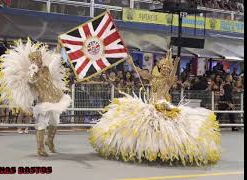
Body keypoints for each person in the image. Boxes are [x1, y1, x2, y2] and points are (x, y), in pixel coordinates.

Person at [90, 49, 221, 165]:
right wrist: (131, 63)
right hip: (150, 107)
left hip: (164, 108)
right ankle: (144, 151)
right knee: (147, 131)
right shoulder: (154, 79)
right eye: (164, 67)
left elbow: (172, 77)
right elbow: (141, 73)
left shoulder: (168, 80)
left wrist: (175, 65)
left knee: (165, 132)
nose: (165, 69)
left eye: (167, 68)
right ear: (160, 68)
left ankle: (164, 152)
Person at [0, 40, 71, 156]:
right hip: (43, 102)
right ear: (32, 61)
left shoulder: (47, 69)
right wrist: (33, 73)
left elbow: (55, 61)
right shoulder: (30, 73)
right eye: (35, 59)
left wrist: (59, 48)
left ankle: (49, 141)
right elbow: (31, 82)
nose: (37, 61)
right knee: (42, 124)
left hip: (56, 99)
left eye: (38, 59)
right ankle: (40, 148)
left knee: (55, 122)